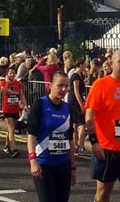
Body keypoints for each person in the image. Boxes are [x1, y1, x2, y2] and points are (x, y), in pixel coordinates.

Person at [85, 50, 120, 202]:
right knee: (103, 193)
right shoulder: (100, 85)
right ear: (111, 64)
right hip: (107, 149)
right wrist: (94, 142)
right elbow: (89, 116)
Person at [27, 71, 76, 202]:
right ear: (50, 85)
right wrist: (33, 161)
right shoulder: (41, 104)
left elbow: (70, 138)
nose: (64, 89)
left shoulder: (67, 107)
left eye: (67, 86)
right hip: (44, 165)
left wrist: (72, 167)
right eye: (60, 85)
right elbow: (31, 135)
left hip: (63, 165)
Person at [0, 67, 26, 158]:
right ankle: (13, 148)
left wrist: (24, 104)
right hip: (7, 109)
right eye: (10, 73)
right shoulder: (3, 82)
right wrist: (7, 83)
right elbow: (2, 92)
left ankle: (7, 146)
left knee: (11, 129)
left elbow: (21, 95)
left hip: (15, 109)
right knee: (11, 129)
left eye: (13, 73)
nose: (12, 75)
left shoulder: (18, 83)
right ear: (7, 74)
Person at [68, 59, 87, 154]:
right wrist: (81, 105)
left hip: (76, 99)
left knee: (75, 124)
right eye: (84, 64)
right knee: (82, 123)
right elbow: (76, 91)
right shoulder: (75, 76)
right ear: (80, 65)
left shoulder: (81, 75)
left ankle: (76, 144)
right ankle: (81, 146)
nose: (86, 66)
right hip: (75, 100)